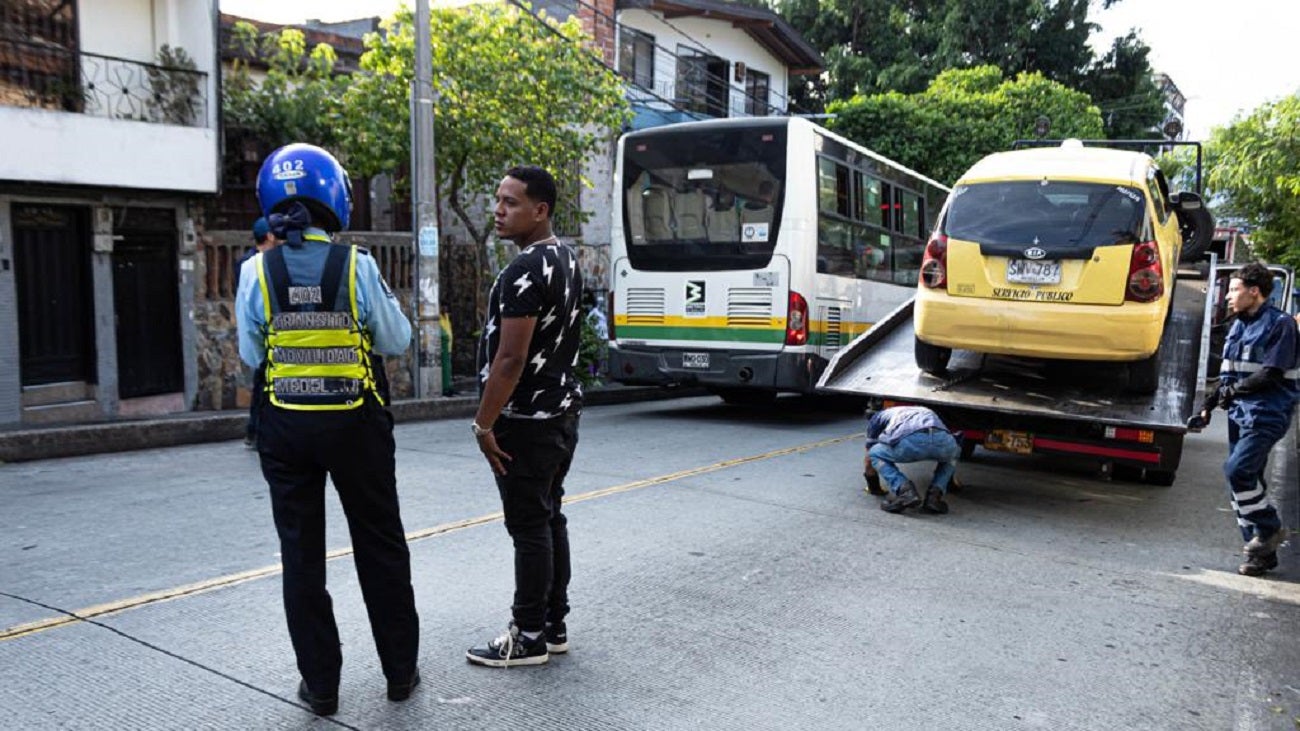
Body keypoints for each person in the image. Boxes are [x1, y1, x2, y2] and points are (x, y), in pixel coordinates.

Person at [236, 143, 420, 715]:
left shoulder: (254, 271)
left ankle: (321, 687)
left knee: (301, 556)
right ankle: (399, 673)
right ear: (334, 198)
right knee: (380, 544)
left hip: (285, 427)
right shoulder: (357, 265)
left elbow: (252, 354)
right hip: (356, 426)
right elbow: (397, 340)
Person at [467, 166, 583, 668]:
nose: (498, 210)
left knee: (529, 526)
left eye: (510, 202)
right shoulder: (565, 258)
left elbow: (510, 359)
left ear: (540, 210)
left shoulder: (524, 270)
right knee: (548, 516)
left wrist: (484, 424)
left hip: (527, 420)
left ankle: (528, 634)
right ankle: (553, 624)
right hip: (560, 413)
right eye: (498, 200)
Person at [1187, 261, 1298, 576]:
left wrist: (1231, 393)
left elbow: (1271, 373)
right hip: (1240, 413)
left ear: (1255, 292)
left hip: (1266, 412)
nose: (1228, 296)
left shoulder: (1280, 325)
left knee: (1237, 471)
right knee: (1247, 484)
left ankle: (1270, 529)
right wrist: (1209, 405)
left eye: (1234, 290)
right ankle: (1260, 552)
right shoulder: (1238, 325)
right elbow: (1228, 376)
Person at [865, 405, 962, 514]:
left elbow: (868, 456)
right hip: (942, 441)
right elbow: (955, 436)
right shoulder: (926, 410)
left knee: (874, 453)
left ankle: (905, 491)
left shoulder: (877, 418)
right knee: (954, 453)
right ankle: (934, 497)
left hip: (910, 440)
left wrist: (873, 486)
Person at [235, 217, 279, 449]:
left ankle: (256, 431)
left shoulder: (248, 261)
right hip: (265, 332)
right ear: (270, 236)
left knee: (262, 384)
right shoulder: (254, 264)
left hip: (262, 331)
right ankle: (256, 431)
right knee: (262, 384)